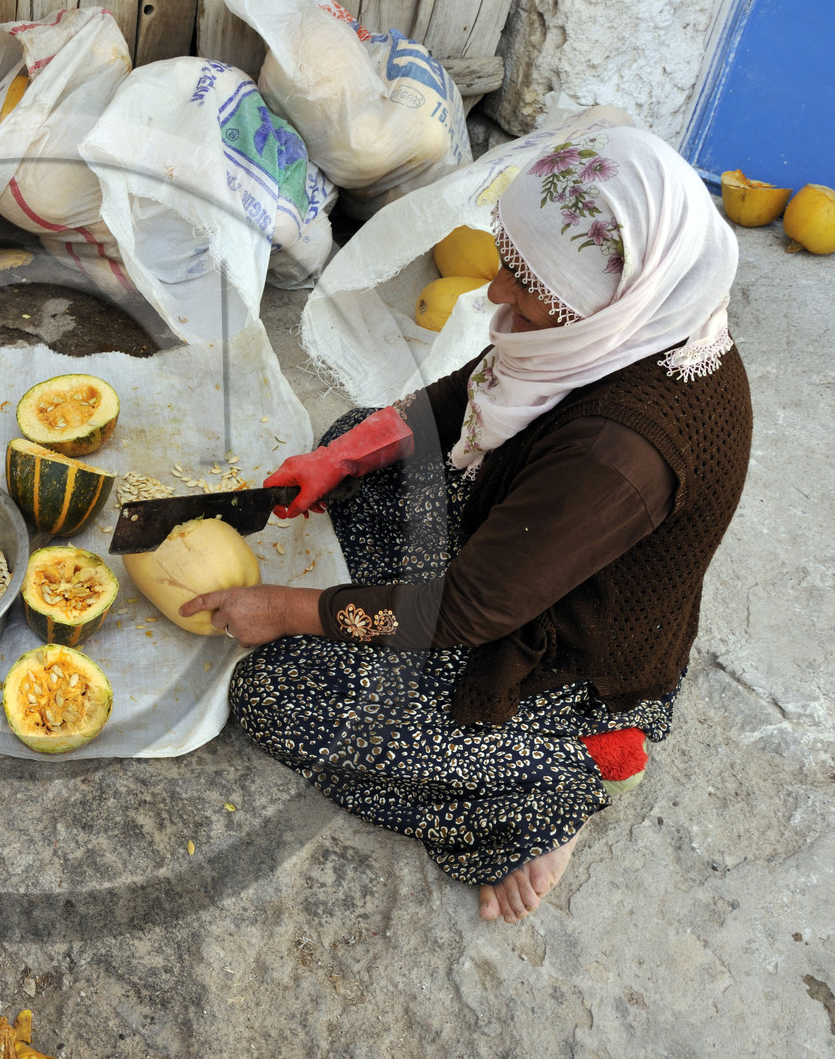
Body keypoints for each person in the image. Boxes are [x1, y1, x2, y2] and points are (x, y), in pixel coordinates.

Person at [180, 126, 752, 923]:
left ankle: (555, 784)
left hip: (564, 662)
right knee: (361, 437)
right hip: (527, 556)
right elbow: (471, 392)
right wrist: (343, 458)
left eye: (523, 280)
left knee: (278, 692)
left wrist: (281, 610)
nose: (494, 295)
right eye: (506, 263)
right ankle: (355, 493)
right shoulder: (626, 320)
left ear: (600, 295)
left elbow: (464, 612)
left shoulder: (622, 451)